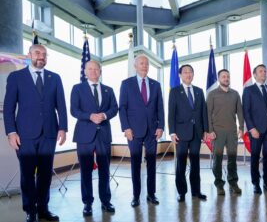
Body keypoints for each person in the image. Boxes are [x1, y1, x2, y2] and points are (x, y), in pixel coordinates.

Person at [3, 44, 67, 222]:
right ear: (29, 55)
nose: (41, 56)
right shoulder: (16, 77)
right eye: (38, 53)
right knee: (27, 173)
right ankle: (30, 210)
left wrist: (63, 127)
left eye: (45, 54)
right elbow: (9, 108)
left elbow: (60, 105)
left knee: (45, 173)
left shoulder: (55, 78)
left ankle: (43, 208)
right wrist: (11, 132)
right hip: (24, 135)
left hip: (49, 133)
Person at [70, 61, 118, 216]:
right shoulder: (77, 88)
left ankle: (105, 201)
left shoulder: (108, 90)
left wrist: (104, 115)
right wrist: (90, 116)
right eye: (90, 69)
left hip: (103, 134)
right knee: (85, 171)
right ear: (85, 71)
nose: (93, 71)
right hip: (84, 135)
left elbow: (114, 108)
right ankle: (87, 203)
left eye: (96, 69)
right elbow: (74, 110)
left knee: (105, 170)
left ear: (100, 71)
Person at [119, 54, 164, 207]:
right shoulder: (126, 84)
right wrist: (126, 128)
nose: (144, 66)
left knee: (152, 164)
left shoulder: (156, 85)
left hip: (152, 131)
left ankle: (151, 194)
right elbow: (122, 108)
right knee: (135, 164)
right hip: (133, 131)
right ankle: (136, 196)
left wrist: (161, 126)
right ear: (135, 66)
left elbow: (160, 108)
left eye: (146, 64)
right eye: (141, 63)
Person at [168, 64, 208, 202]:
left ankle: (196, 191)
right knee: (181, 164)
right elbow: (171, 114)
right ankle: (182, 192)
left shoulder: (199, 91)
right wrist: (172, 132)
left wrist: (205, 131)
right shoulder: (174, 91)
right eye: (185, 72)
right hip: (181, 134)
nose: (188, 74)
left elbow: (204, 112)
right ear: (180, 75)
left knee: (196, 163)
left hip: (197, 133)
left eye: (190, 72)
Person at [206, 69, 243, 196]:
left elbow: (240, 112)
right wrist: (210, 131)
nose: (226, 78)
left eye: (228, 76)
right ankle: (219, 184)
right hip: (217, 132)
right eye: (223, 76)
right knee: (218, 159)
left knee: (232, 158)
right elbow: (208, 113)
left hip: (232, 132)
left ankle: (233, 182)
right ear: (218, 79)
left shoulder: (235, 94)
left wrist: (241, 127)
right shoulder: (212, 94)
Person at [243, 64, 267, 194]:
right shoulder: (249, 90)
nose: (264, 73)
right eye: (260, 71)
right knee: (255, 156)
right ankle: (256, 183)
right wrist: (252, 129)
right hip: (256, 129)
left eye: (265, 71)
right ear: (255, 75)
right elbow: (246, 111)